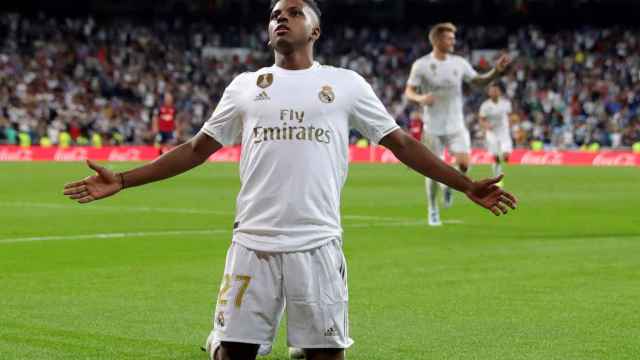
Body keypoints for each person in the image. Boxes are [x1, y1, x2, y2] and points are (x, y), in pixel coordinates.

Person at [63, 2, 518, 360]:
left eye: (294, 12)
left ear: (314, 31)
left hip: (318, 243)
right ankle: (220, 337)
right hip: (253, 242)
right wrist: (123, 179)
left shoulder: (346, 85)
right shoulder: (245, 85)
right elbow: (197, 149)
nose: (282, 18)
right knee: (232, 354)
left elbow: (401, 143)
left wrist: (465, 185)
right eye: (275, 15)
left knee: (326, 355)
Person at [404, 22, 513, 226]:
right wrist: (419, 98)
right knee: (432, 170)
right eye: (449, 38)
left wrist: (496, 72)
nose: (453, 41)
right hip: (433, 127)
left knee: (463, 164)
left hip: (456, 125)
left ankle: (449, 185)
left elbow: (479, 81)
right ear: (437, 40)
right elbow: (408, 91)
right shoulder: (421, 65)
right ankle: (433, 209)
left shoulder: (459, 63)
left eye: (454, 37)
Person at [479, 83, 513, 183]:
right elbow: (481, 119)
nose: (494, 92)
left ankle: (499, 171)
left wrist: (511, 124)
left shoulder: (506, 104)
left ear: (500, 92)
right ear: (489, 92)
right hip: (492, 133)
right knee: (496, 157)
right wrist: (486, 126)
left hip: (504, 132)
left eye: (496, 90)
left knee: (506, 157)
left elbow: (510, 115)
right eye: (492, 90)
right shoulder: (485, 105)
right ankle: (497, 179)